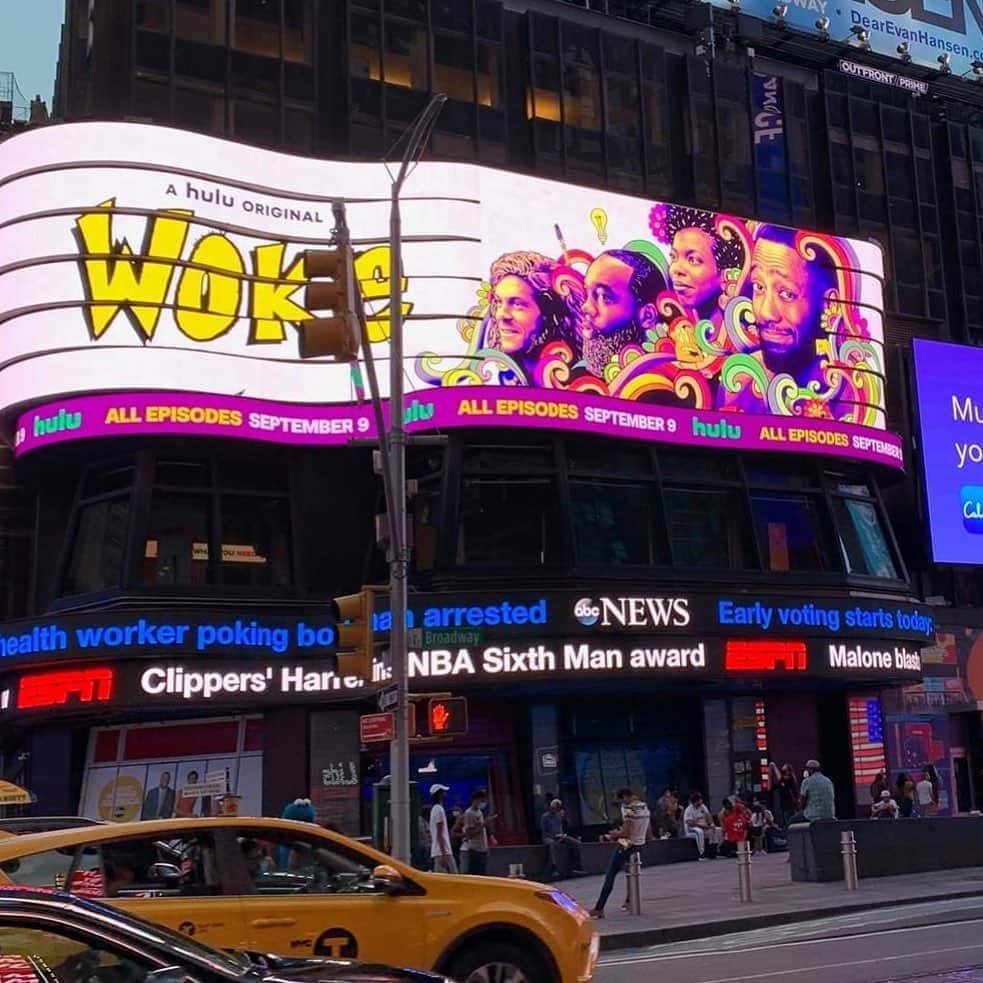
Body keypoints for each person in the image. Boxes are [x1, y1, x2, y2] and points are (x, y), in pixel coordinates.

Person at [718, 225, 839, 413]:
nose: (766, 313)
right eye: (759, 287)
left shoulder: (850, 394)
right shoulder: (740, 379)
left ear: (828, 304)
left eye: (786, 294)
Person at [485, 251, 583, 378]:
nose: (501, 315)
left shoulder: (580, 380)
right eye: (498, 302)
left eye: (517, 304)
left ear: (548, 312)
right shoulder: (500, 375)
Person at [581, 249, 668, 377]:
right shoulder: (577, 374)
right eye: (586, 292)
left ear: (647, 316)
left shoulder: (659, 382)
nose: (586, 307)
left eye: (603, 296)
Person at [662, 205, 745, 327]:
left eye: (693, 260)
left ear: (724, 274)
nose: (675, 269)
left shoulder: (744, 338)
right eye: (674, 257)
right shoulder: (675, 335)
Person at [589, 788, 651, 918]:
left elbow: (625, 833)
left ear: (625, 797)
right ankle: (629, 901)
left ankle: (599, 907)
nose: (622, 803)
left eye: (622, 799)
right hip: (640, 844)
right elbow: (648, 830)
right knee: (631, 874)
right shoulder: (645, 807)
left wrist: (613, 835)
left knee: (610, 874)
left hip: (627, 844)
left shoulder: (629, 809)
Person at [541, 798, 584, 879]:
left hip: (559, 836)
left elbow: (560, 827)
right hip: (548, 837)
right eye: (556, 808)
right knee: (552, 844)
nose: (557, 810)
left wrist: (562, 835)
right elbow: (544, 832)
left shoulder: (558, 817)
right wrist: (554, 835)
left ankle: (576, 866)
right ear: (552, 807)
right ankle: (554, 868)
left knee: (574, 842)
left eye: (559, 808)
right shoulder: (545, 817)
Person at [461, 788, 495, 875]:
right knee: (476, 874)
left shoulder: (479, 812)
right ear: (476, 800)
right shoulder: (469, 813)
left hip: (483, 849)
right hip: (475, 850)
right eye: (482, 800)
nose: (483, 802)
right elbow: (469, 834)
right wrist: (484, 824)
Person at [428, 783, 456, 873]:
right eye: (444, 792)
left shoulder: (435, 809)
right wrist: (443, 854)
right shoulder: (439, 809)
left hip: (440, 851)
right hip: (443, 852)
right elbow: (439, 833)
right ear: (439, 794)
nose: (445, 795)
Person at [682, 792, 720, 859]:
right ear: (695, 801)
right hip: (692, 829)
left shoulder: (703, 807)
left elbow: (709, 818)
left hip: (704, 827)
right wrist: (704, 826)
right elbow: (691, 823)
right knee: (699, 832)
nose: (701, 801)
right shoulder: (688, 810)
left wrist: (711, 824)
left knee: (715, 830)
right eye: (700, 800)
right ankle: (701, 854)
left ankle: (713, 852)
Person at [774, 763, 799, 828]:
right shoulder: (786, 780)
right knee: (788, 821)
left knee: (789, 822)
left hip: (788, 804)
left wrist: (774, 766)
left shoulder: (788, 780)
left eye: (784, 769)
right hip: (786, 805)